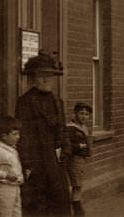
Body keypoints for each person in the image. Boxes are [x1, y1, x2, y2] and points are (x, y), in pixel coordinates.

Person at [16, 51, 71, 216]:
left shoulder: (57, 101)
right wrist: (27, 164)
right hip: (37, 160)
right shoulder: (25, 102)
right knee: (38, 205)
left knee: (61, 201)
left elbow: (63, 128)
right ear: (33, 78)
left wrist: (66, 150)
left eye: (50, 76)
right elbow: (22, 135)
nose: (46, 80)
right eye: (41, 76)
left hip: (56, 160)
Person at [0, 116, 25, 217]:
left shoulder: (12, 150)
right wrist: (6, 175)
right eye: (14, 134)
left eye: (18, 134)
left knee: (16, 213)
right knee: (4, 213)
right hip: (3, 190)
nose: (18, 137)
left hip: (15, 188)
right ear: (4, 136)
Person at [65, 103, 92, 215]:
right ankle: (77, 208)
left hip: (81, 159)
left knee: (79, 183)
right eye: (81, 113)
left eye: (86, 114)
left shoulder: (84, 128)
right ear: (75, 114)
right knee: (76, 184)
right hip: (74, 158)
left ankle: (76, 206)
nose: (84, 116)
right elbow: (67, 144)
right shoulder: (71, 128)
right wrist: (80, 146)